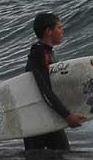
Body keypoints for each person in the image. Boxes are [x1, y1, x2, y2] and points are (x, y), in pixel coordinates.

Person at [23, 12, 85, 151]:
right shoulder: (39, 53)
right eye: (59, 27)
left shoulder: (47, 52)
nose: (62, 31)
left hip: (48, 115)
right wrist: (67, 116)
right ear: (48, 31)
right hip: (37, 120)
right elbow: (44, 90)